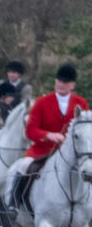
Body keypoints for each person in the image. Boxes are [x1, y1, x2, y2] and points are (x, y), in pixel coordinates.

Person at [16, 62, 88, 211]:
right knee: (23, 166)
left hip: (71, 154)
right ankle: (15, 204)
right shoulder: (42, 102)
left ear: (72, 85)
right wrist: (48, 135)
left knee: (88, 169)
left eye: (65, 82)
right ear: (55, 81)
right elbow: (30, 130)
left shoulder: (81, 103)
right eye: (59, 81)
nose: (61, 84)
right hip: (42, 151)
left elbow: (87, 130)